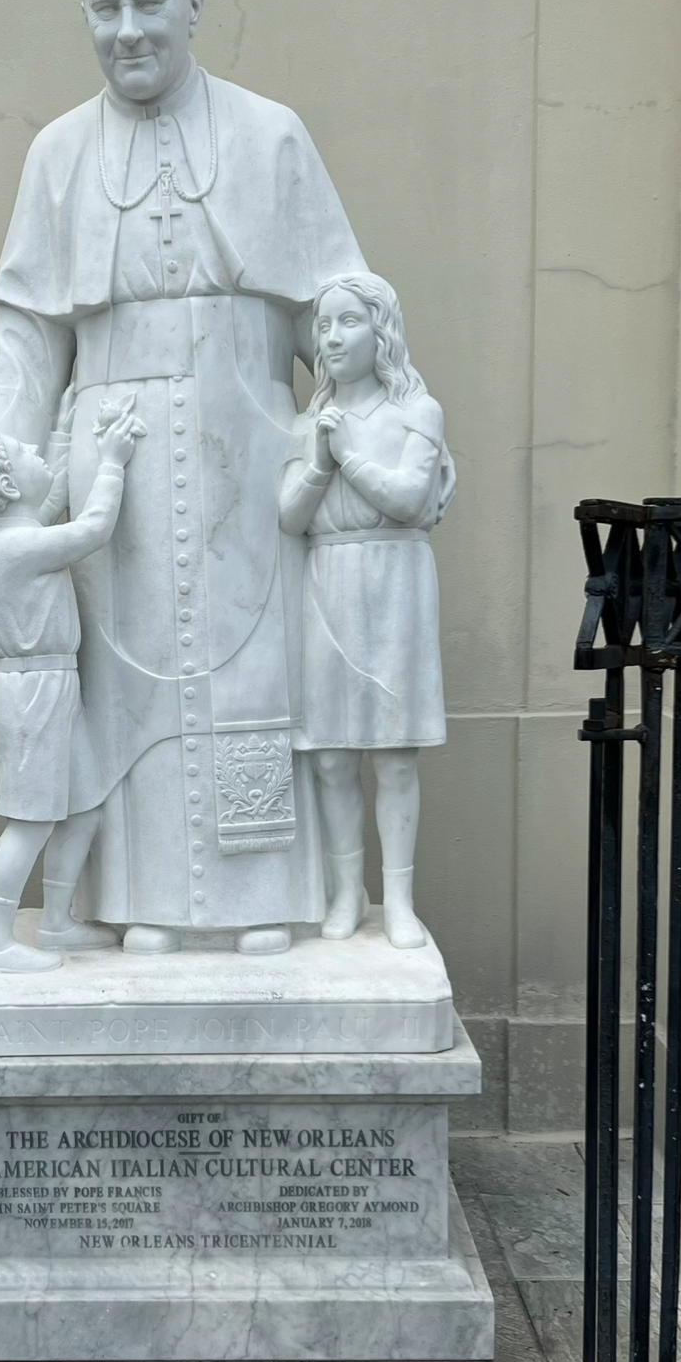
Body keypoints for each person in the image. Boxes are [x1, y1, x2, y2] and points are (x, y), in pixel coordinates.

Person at [0, 0, 370, 953]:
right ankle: (142, 903)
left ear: (193, 4)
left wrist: (374, 430)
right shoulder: (57, 155)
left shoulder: (271, 135)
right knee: (130, 690)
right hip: (118, 475)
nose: (127, 29)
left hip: (250, 454)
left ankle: (260, 901)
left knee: (252, 676)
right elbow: (25, 340)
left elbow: (340, 317)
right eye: (103, 8)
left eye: (147, 2)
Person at [279, 274, 454, 949]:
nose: (332, 338)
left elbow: (409, 500)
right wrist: (320, 461)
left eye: (348, 321)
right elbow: (290, 517)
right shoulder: (309, 424)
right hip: (329, 578)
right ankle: (346, 891)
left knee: (395, 755)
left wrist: (347, 453)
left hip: (395, 579)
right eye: (323, 325)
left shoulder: (417, 413)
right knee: (330, 757)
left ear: (380, 330)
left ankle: (399, 900)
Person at [0, 393, 144, 971]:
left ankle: (57, 921)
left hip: (53, 685)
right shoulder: (14, 546)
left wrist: (62, 433)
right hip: (31, 694)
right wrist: (112, 461)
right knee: (30, 822)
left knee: (84, 806)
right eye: (21, 451)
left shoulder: (13, 533)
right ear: (7, 487)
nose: (32, 449)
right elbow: (93, 529)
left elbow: (47, 500)